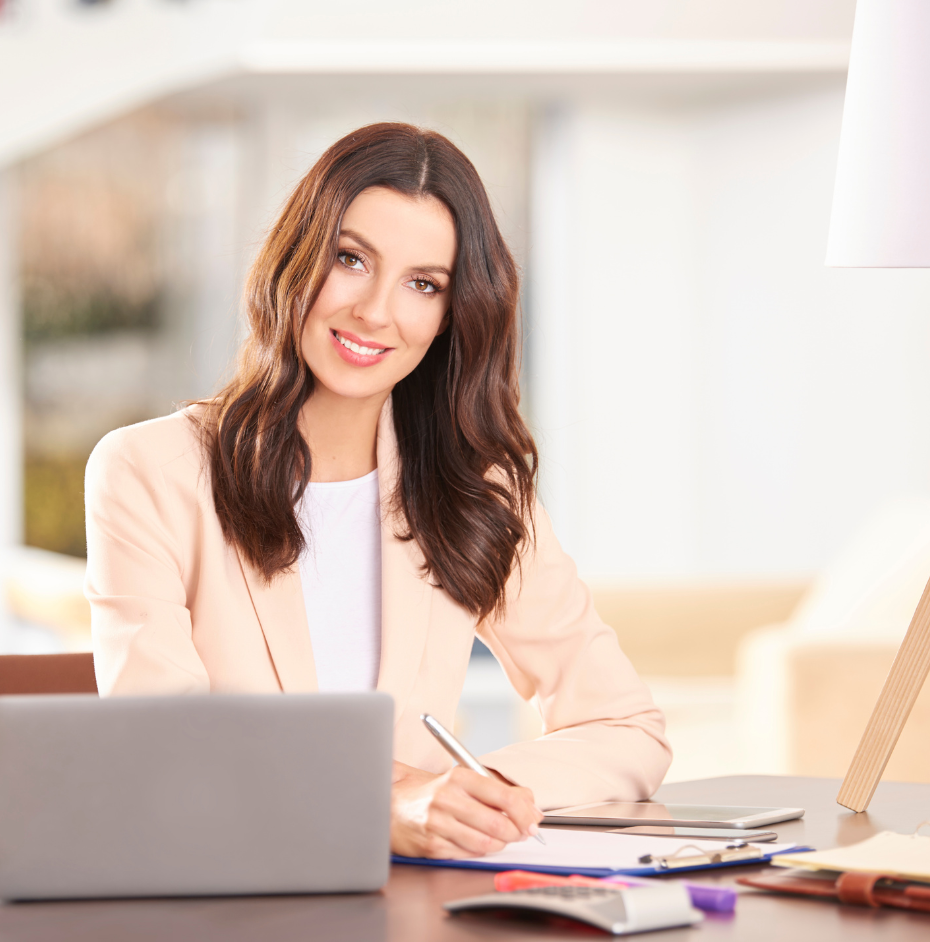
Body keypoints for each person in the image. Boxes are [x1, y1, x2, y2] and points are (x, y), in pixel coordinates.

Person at [84, 122, 671, 860]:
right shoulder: (149, 470)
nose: (376, 312)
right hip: (224, 890)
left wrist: (468, 797)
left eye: (424, 284)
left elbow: (627, 729)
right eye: (351, 259)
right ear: (297, 259)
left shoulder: (473, 488)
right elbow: (162, 748)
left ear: (453, 315)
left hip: (410, 902)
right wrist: (382, 796)